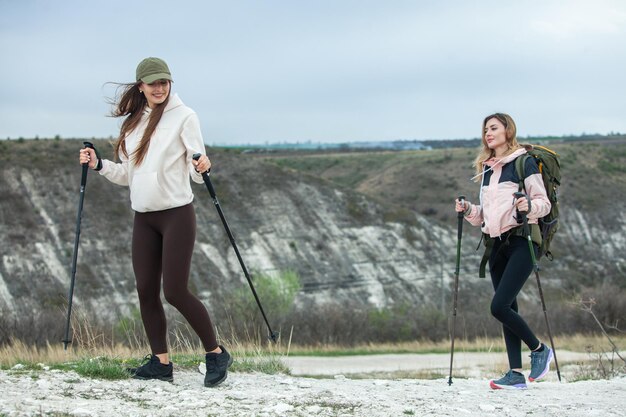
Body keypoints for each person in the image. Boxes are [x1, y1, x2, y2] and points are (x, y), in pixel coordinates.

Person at [79, 57, 232, 387]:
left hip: (176, 214)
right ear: (141, 86)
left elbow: (195, 168)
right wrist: (98, 165)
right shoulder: (133, 123)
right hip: (144, 218)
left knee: (174, 291)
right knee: (145, 290)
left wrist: (202, 164)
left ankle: (216, 352)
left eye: (164, 82)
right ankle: (161, 363)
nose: (159, 88)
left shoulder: (185, 116)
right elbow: (128, 175)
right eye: (153, 83)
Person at [454, 112, 554, 390]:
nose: (488, 133)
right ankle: (515, 374)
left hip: (522, 240)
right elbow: (486, 216)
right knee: (508, 307)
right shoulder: (487, 169)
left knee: (498, 306)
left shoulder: (525, 163)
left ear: (508, 130)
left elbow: (542, 203)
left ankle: (539, 350)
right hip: (495, 244)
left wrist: (529, 207)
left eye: (494, 128)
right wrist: (469, 210)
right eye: (485, 129)